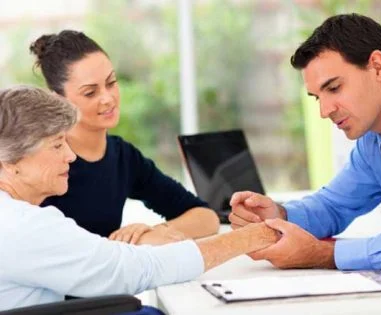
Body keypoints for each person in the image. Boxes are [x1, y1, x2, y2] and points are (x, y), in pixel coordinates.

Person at [0, 85, 279, 312]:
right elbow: (135, 271)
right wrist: (255, 236)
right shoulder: (23, 226)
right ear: (11, 162)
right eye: (57, 145)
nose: (71, 156)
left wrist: (155, 234)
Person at [228, 13, 381, 272]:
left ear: (377, 66)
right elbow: (334, 205)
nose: (324, 110)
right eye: (317, 97)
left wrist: (325, 254)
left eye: (334, 88)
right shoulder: (373, 142)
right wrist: (278, 216)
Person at [29, 30, 220, 245]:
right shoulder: (39, 159)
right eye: (90, 92)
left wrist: (154, 232)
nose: (108, 99)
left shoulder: (123, 157)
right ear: (58, 100)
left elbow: (206, 218)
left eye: (111, 83)